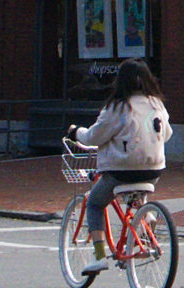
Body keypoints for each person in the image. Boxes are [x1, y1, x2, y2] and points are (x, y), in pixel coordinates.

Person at [70, 60, 171, 274]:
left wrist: (75, 132)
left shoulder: (118, 106)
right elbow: (167, 134)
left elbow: (92, 137)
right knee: (136, 196)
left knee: (95, 204)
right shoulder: (156, 104)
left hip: (120, 170)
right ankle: (147, 218)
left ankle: (99, 257)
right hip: (154, 170)